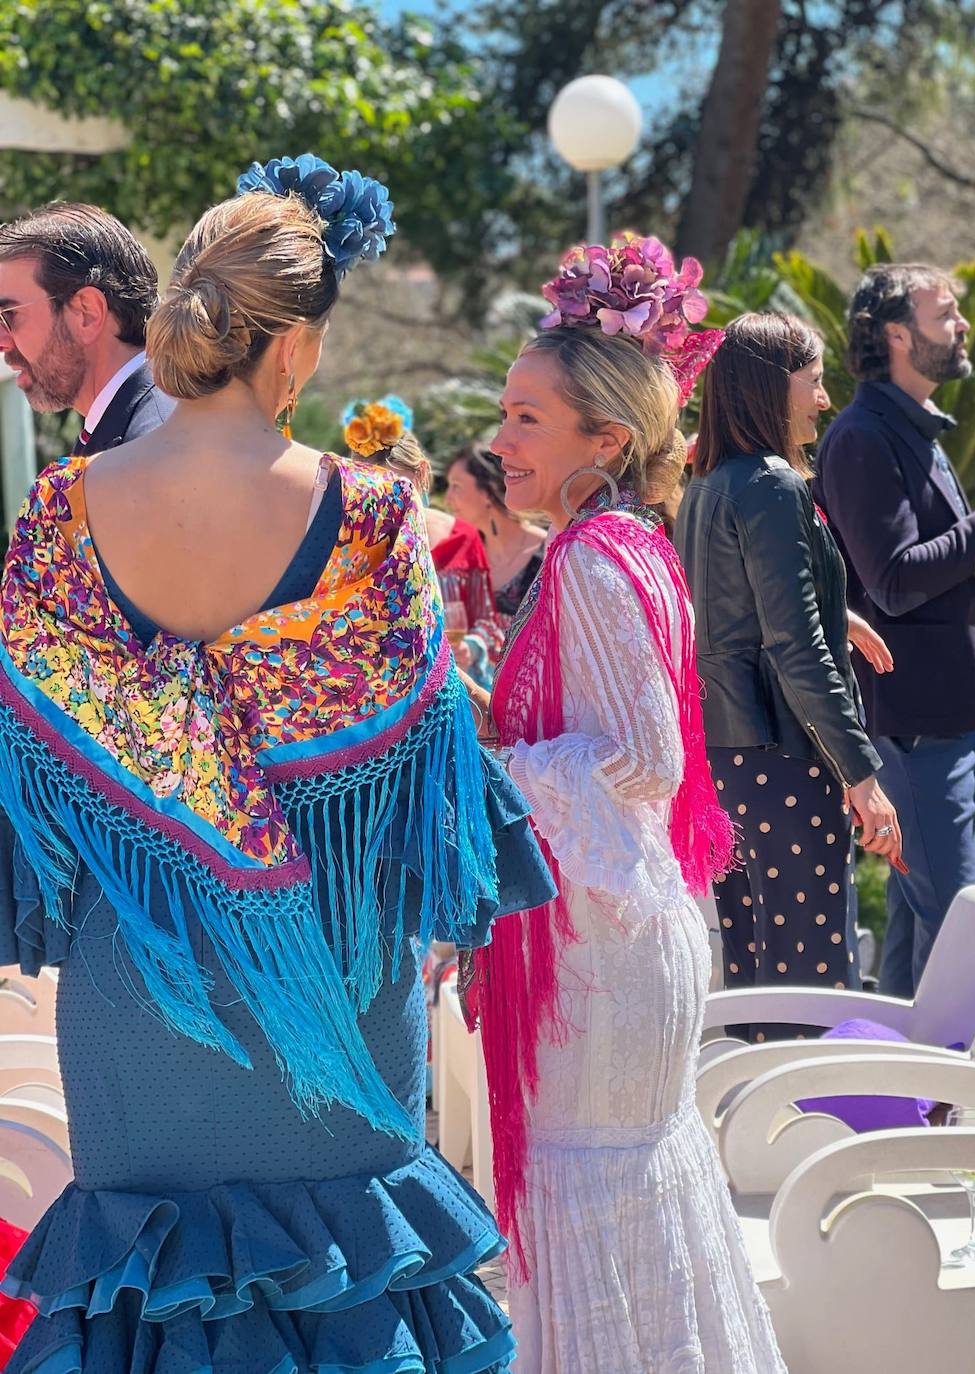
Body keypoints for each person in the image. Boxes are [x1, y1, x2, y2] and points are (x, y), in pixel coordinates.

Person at [0, 155, 552, 1374]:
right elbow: (424, 787)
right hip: (334, 988)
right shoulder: (367, 519)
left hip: (133, 979)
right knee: (351, 1288)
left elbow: (31, 779)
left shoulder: (59, 512)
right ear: (293, 351)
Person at [461, 237, 785, 1373]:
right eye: (503, 414)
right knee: (633, 1202)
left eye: (526, 419)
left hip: (601, 951)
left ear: (605, 439)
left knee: (598, 1196)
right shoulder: (625, 544)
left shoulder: (595, 559)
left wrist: (486, 769)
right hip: (626, 927)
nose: (500, 440)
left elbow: (641, 757)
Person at [674, 313, 901, 1039]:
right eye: (813, 382)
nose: (824, 400)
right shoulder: (770, 483)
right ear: (774, 390)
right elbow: (792, 648)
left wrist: (837, 615)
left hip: (727, 756)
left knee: (753, 963)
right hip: (781, 755)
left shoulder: (707, 479)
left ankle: (761, 1126)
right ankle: (819, 1129)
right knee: (809, 973)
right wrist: (860, 774)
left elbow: (731, 612)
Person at [814, 264, 975, 998]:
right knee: (972, 937)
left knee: (920, 943)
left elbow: (914, 575)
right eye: (945, 313)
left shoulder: (910, 428)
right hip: (914, 731)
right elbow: (894, 581)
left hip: (943, 725)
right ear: (896, 335)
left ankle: (904, 1106)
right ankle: (959, 1100)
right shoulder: (863, 438)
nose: (962, 324)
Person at [344, 397, 502, 683]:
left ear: (422, 473)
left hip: (458, 688)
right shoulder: (354, 548)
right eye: (379, 494)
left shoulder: (462, 537)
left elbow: (488, 623)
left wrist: (473, 646)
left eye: (401, 489)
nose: (394, 504)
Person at [0, 202, 174, 452]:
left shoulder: (150, 447)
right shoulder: (141, 427)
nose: (1, 341)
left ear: (87, 313)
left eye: (9, 315)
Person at [446, 443, 546, 619]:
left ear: (488, 490)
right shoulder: (464, 558)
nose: (447, 499)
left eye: (456, 486)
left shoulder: (548, 553)